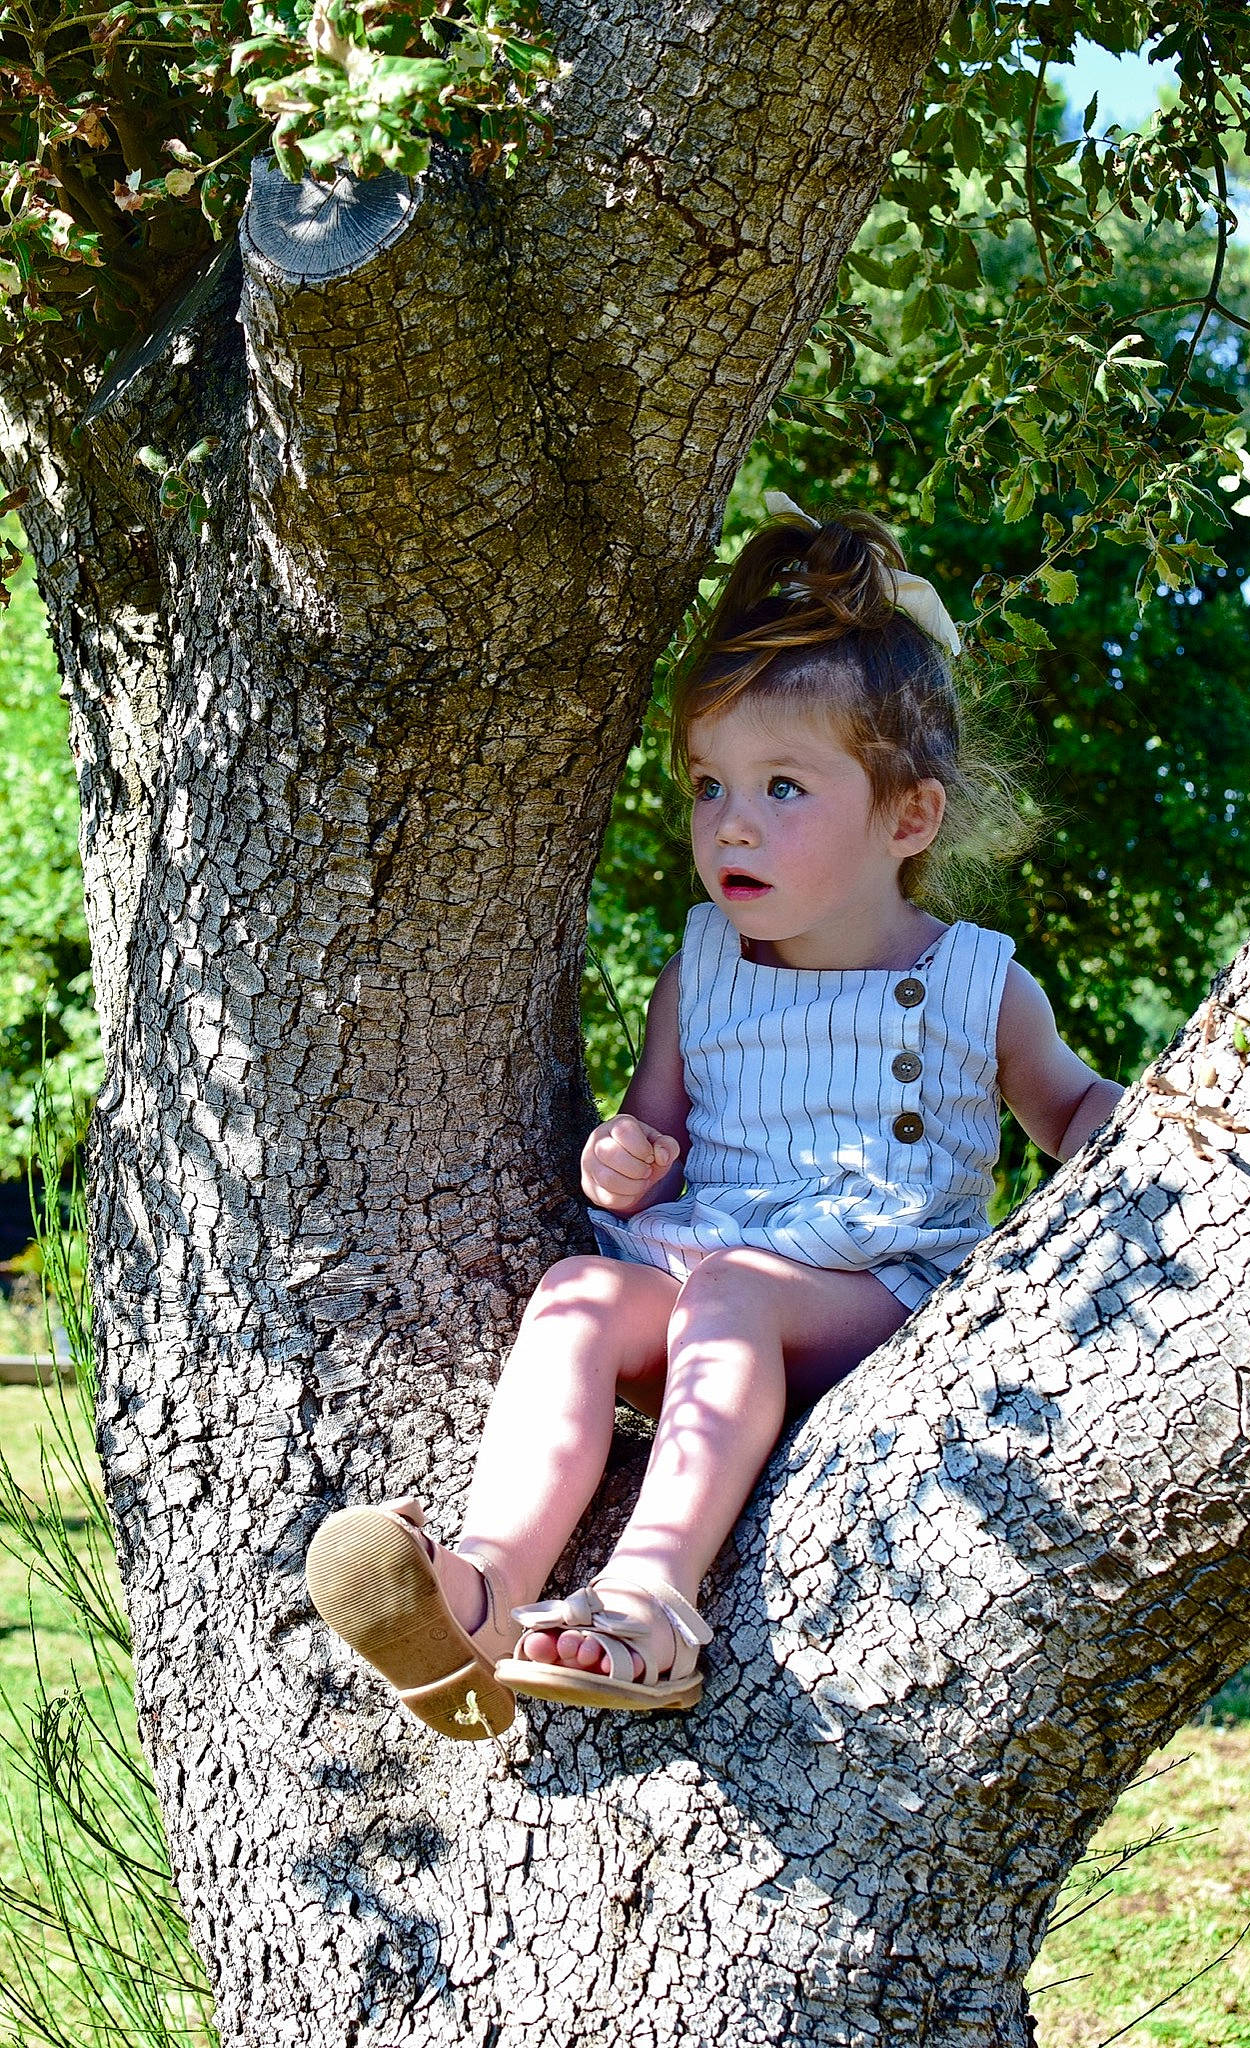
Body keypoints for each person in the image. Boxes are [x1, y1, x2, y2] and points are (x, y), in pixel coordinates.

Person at [305, 494, 1125, 1740]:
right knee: (577, 1293)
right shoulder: (706, 966)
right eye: (708, 784)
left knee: (736, 1289)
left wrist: (1171, 1122)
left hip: (872, 1293)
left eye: (782, 785)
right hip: (706, 1282)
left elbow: (1073, 1114)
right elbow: (647, 1145)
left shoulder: (976, 982)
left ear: (907, 817)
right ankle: (479, 1585)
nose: (729, 821)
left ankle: (652, 1592)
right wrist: (619, 1162)